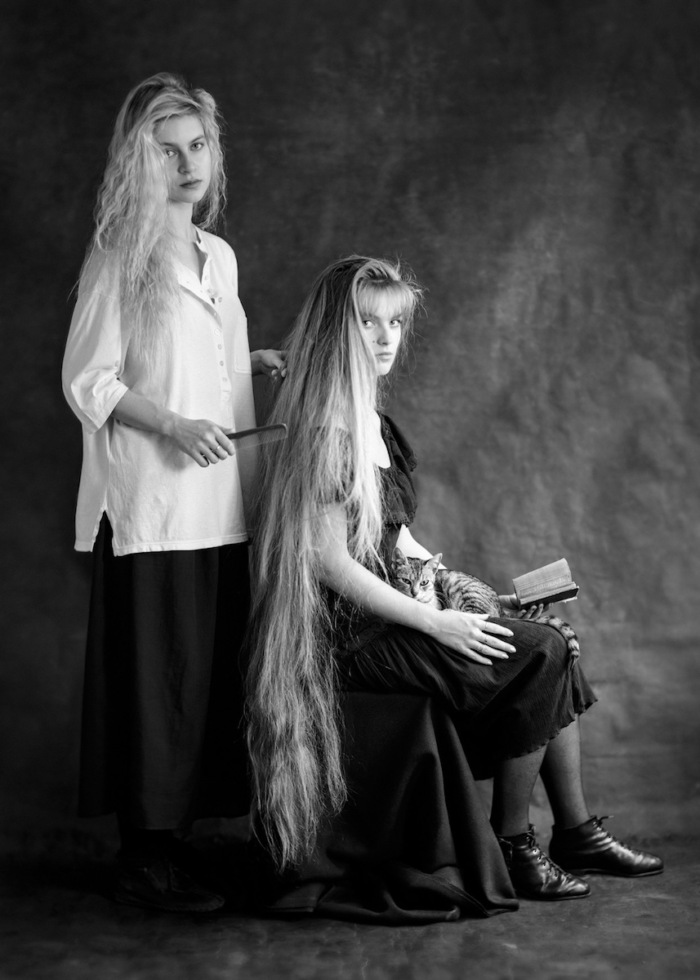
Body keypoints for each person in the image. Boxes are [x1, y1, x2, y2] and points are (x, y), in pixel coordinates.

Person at [245, 255, 662, 924]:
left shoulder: (372, 421)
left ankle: (576, 832)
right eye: (367, 322)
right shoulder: (326, 429)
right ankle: (514, 843)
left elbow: (395, 537)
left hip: (393, 609)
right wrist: (435, 622)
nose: (385, 337)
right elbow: (325, 562)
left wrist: (474, 594)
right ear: (334, 330)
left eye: (395, 322)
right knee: (542, 653)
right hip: (348, 634)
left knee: (551, 638)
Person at [62, 73, 285, 913]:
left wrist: (247, 364)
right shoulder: (119, 255)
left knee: (202, 678)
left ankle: (179, 842)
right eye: (166, 150)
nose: (187, 164)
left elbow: (200, 360)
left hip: (218, 505)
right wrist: (174, 425)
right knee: (157, 682)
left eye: (197, 146)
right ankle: (144, 855)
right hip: (153, 508)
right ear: (137, 160)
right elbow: (89, 380)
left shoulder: (218, 256)